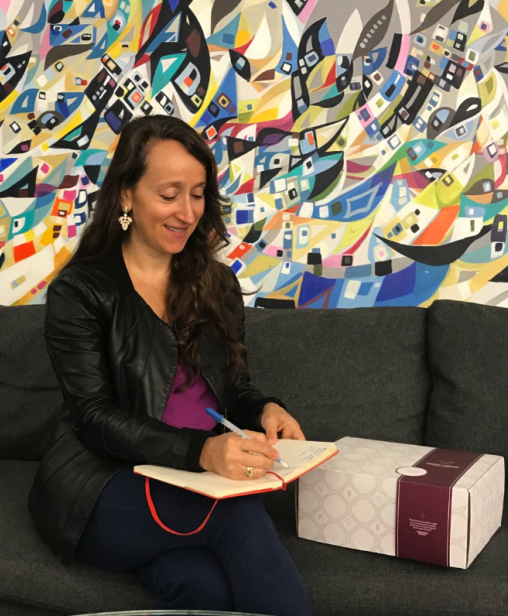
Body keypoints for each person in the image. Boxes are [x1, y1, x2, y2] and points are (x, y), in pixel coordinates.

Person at [28, 114, 312, 616]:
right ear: (126, 195)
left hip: (194, 479)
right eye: (169, 194)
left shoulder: (217, 284)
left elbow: (234, 390)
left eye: (197, 194)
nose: (187, 212)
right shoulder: (81, 292)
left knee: (203, 587)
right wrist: (201, 452)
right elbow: (93, 418)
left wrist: (266, 408)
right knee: (235, 513)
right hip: (102, 485)